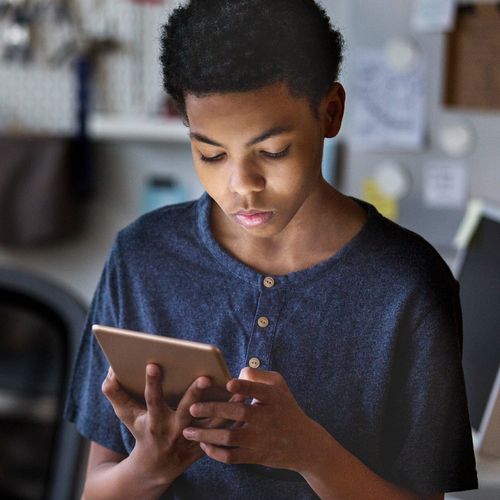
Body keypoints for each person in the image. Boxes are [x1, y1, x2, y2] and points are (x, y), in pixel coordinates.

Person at [64, 1, 478, 498]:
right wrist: (151, 466)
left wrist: (309, 453)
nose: (242, 185)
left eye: (272, 151)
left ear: (330, 112)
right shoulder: (142, 257)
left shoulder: (409, 285)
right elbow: (95, 489)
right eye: (210, 154)